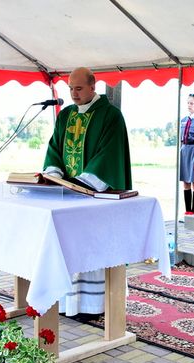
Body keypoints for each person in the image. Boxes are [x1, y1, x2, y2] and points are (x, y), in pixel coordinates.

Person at [43, 66, 132, 317]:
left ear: (93, 86)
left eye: (78, 88)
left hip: (96, 196)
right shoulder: (65, 115)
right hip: (69, 196)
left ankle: (95, 306)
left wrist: (84, 182)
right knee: (70, 247)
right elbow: (55, 149)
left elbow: (110, 154)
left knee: (93, 247)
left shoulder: (111, 116)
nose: (73, 93)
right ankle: (68, 302)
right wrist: (56, 175)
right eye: (70, 88)